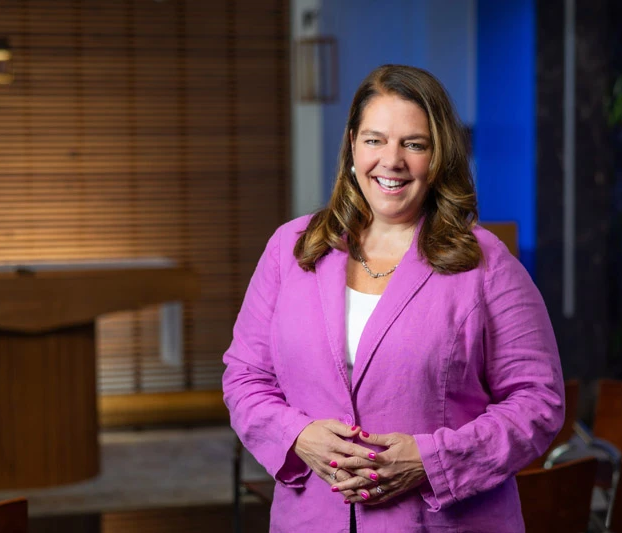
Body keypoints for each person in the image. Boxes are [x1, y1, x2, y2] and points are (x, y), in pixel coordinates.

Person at [223, 64, 564, 532]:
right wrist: (298, 435)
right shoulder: (291, 247)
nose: (392, 160)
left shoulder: (486, 263)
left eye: (414, 144)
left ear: (438, 154)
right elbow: (245, 377)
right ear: (351, 145)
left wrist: (432, 461)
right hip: (309, 520)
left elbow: (537, 402)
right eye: (375, 139)